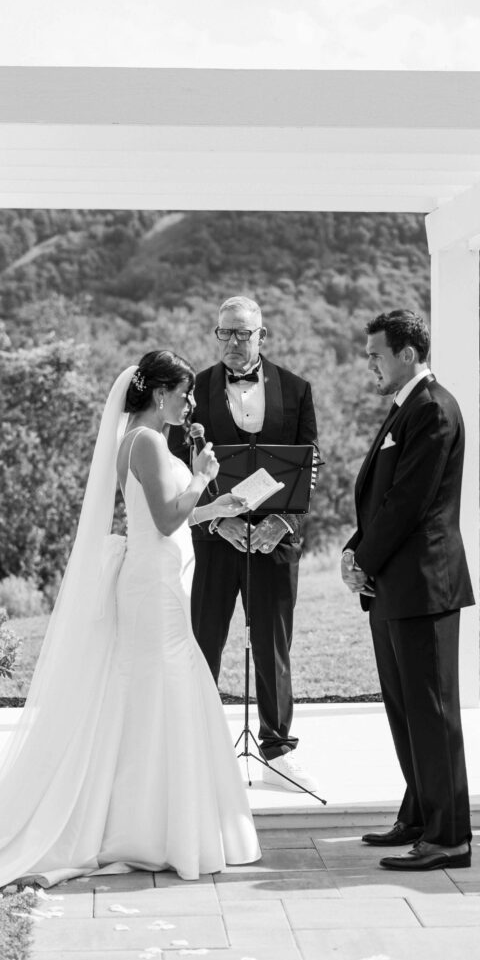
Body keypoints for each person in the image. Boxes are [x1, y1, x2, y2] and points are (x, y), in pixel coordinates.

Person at [0, 351, 260, 910]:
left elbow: (168, 516)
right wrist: (207, 479)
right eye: (184, 393)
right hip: (153, 587)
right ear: (160, 393)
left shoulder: (143, 442)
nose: (189, 403)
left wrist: (217, 506)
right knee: (164, 687)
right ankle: (158, 828)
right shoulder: (145, 443)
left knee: (155, 692)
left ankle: (155, 821)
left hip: (157, 579)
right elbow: (164, 520)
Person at [341, 310, 474, 871]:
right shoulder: (406, 408)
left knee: (432, 711)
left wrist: (362, 558)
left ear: (407, 354)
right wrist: (355, 551)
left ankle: (449, 838)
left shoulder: (434, 410)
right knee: (405, 709)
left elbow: (411, 502)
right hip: (394, 585)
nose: (369, 362)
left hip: (423, 584)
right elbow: (383, 498)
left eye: (376, 353)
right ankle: (419, 815)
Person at [169, 297, 319, 793]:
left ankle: (276, 752)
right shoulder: (196, 391)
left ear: (263, 334)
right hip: (215, 540)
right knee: (204, 640)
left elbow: (309, 466)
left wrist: (282, 521)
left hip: (275, 542)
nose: (233, 343)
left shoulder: (297, 390)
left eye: (243, 334)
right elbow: (179, 469)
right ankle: (198, 751)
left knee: (274, 645)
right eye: (225, 333)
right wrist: (216, 524)